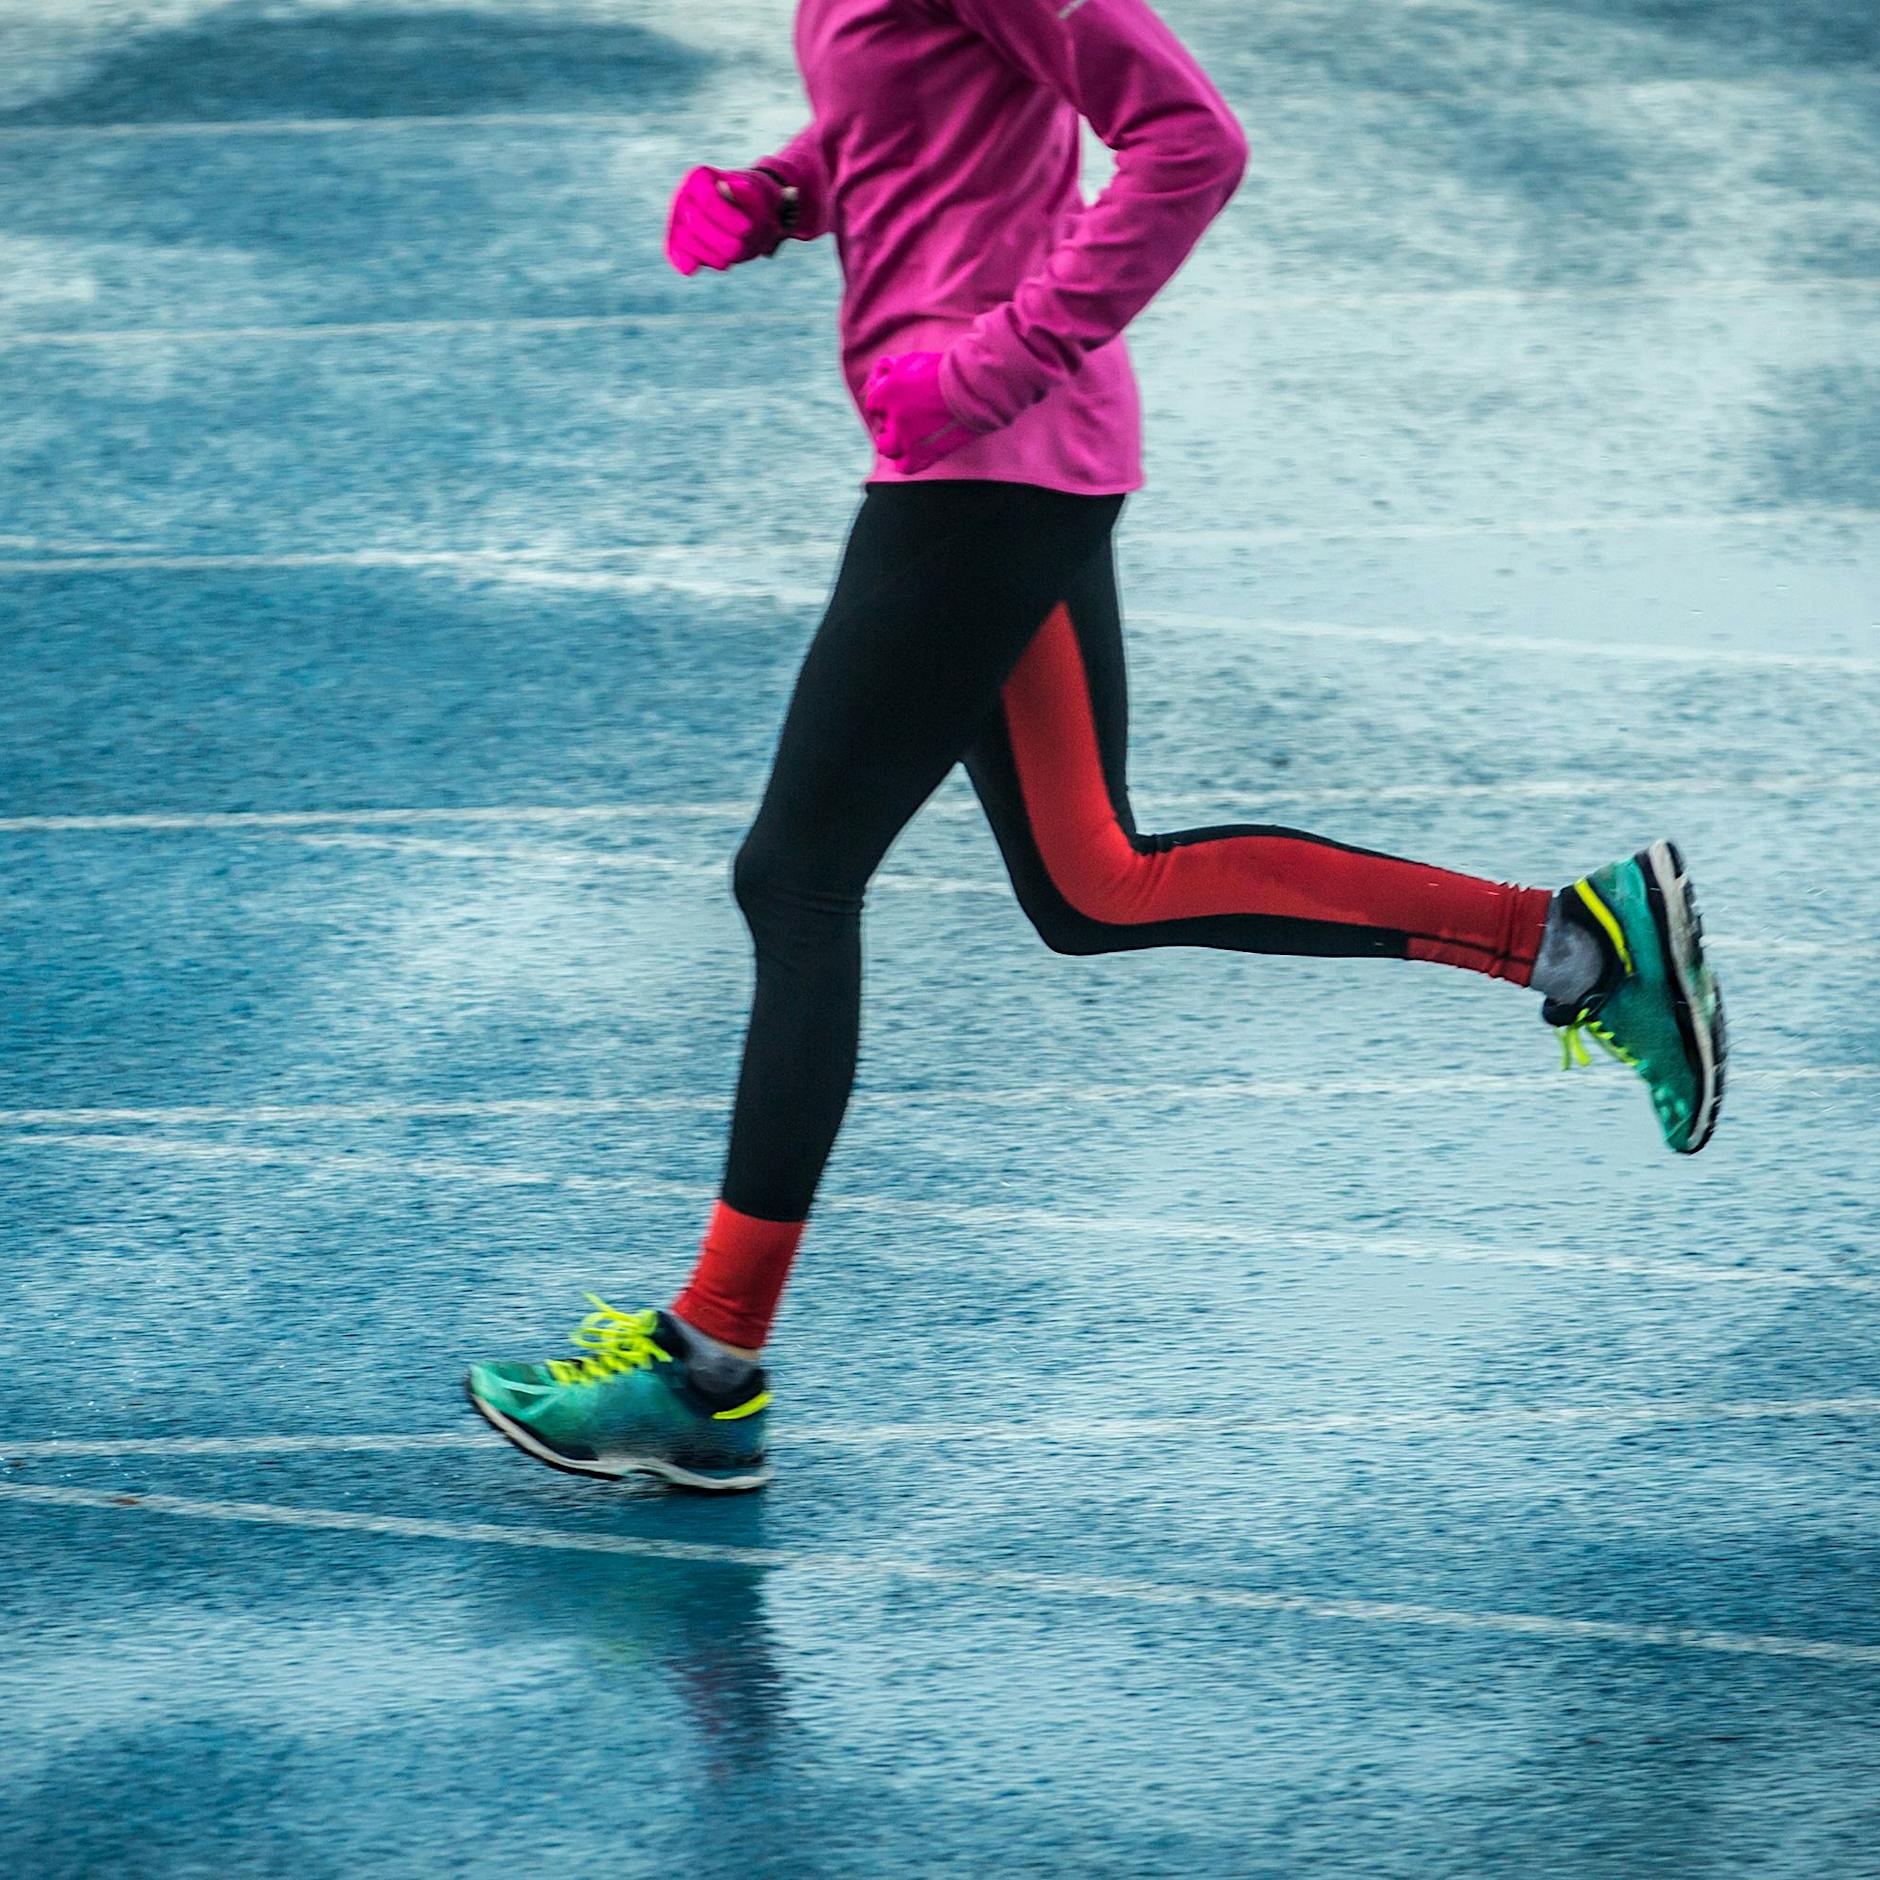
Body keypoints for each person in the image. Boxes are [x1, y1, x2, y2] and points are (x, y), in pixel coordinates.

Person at [465, 0, 1726, 1491]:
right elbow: (933, 112)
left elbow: (1191, 140)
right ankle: (1579, 944)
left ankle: (712, 1367)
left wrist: (1004, 356)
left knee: (795, 877)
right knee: (1093, 883)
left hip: (987, 464)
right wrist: (791, 190)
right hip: (991, 465)